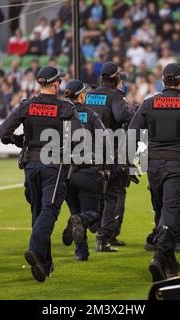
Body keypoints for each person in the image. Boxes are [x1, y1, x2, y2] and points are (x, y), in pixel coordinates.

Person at [129, 63, 180, 281]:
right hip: (178, 165)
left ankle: (170, 262)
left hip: (154, 165)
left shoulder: (149, 104)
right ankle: (158, 257)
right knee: (171, 211)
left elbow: (132, 133)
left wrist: (134, 159)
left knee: (161, 211)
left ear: (163, 80)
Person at [0, 66, 82, 282]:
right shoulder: (65, 108)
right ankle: (34, 250)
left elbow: (2, 132)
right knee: (50, 210)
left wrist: (20, 141)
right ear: (56, 84)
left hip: (31, 163)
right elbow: (78, 137)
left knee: (38, 212)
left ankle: (45, 265)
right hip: (53, 163)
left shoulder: (28, 105)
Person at [83, 62, 135, 252]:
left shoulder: (88, 94)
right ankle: (105, 237)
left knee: (94, 193)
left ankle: (87, 222)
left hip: (85, 151)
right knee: (113, 194)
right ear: (116, 79)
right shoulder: (114, 96)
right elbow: (122, 116)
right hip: (109, 152)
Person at [61, 80, 107, 261]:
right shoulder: (91, 115)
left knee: (75, 212)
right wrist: (105, 167)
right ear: (82, 95)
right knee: (92, 213)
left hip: (66, 172)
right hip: (88, 169)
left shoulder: (61, 115)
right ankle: (79, 223)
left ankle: (81, 252)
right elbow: (104, 141)